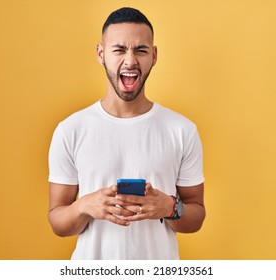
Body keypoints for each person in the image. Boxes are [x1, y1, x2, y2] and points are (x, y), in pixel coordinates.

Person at [48, 7, 206, 260]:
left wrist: (169, 207)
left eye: (140, 50)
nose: (130, 61)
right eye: (119, 49)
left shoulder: (182, 130)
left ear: (153, 56)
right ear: (101, 54)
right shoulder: (70, 130)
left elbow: (196, 216)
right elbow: (57, 222)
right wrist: (84, 206)